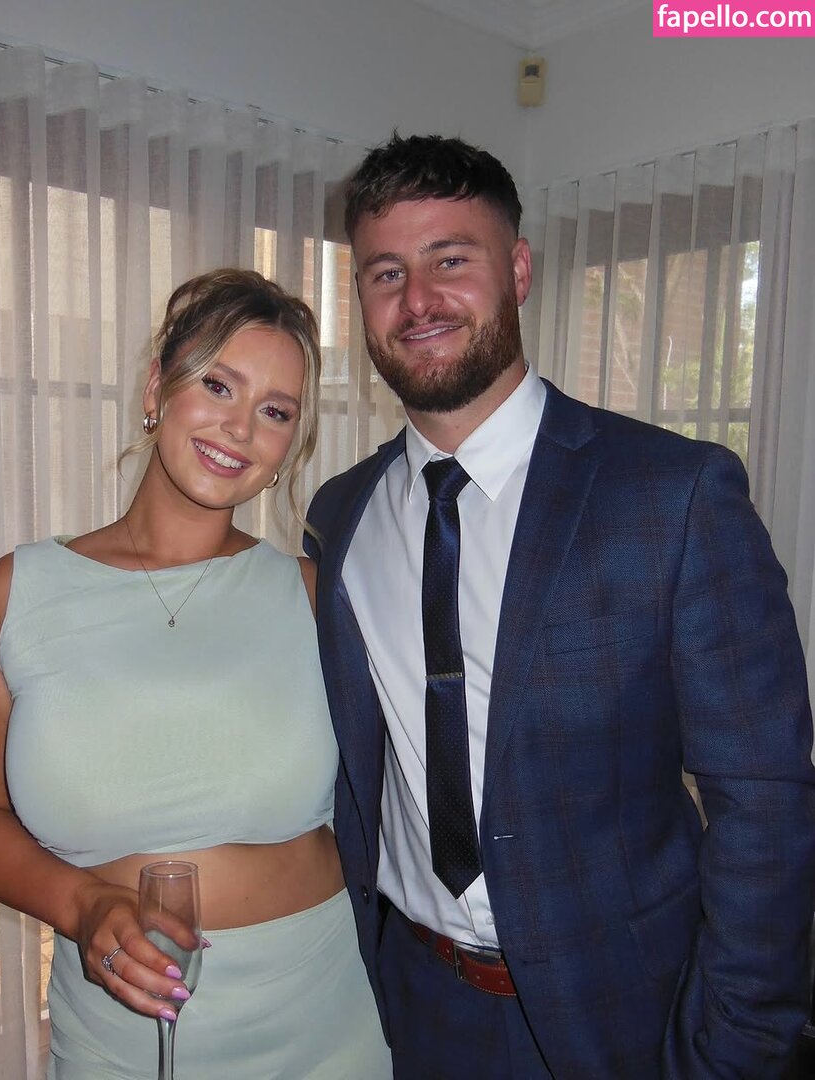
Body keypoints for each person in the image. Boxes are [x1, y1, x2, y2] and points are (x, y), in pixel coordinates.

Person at [304, 134, 815, 1078]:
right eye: (386, 273)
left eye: (450, 260)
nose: (418, 301)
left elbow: (767, 805)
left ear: (519, 271)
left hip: (627, 1016)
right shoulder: (341, 515)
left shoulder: (673, 495)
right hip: (409, 1004)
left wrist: (735, 1050)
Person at [0, 268, 392, 1079]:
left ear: (289, 448)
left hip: (326, 1027)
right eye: (218, 384)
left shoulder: (313, 596)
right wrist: (81, 904)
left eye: (275, 411)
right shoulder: (21, 591)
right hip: (119, 1042)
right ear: (157, 389)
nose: (239, 427)